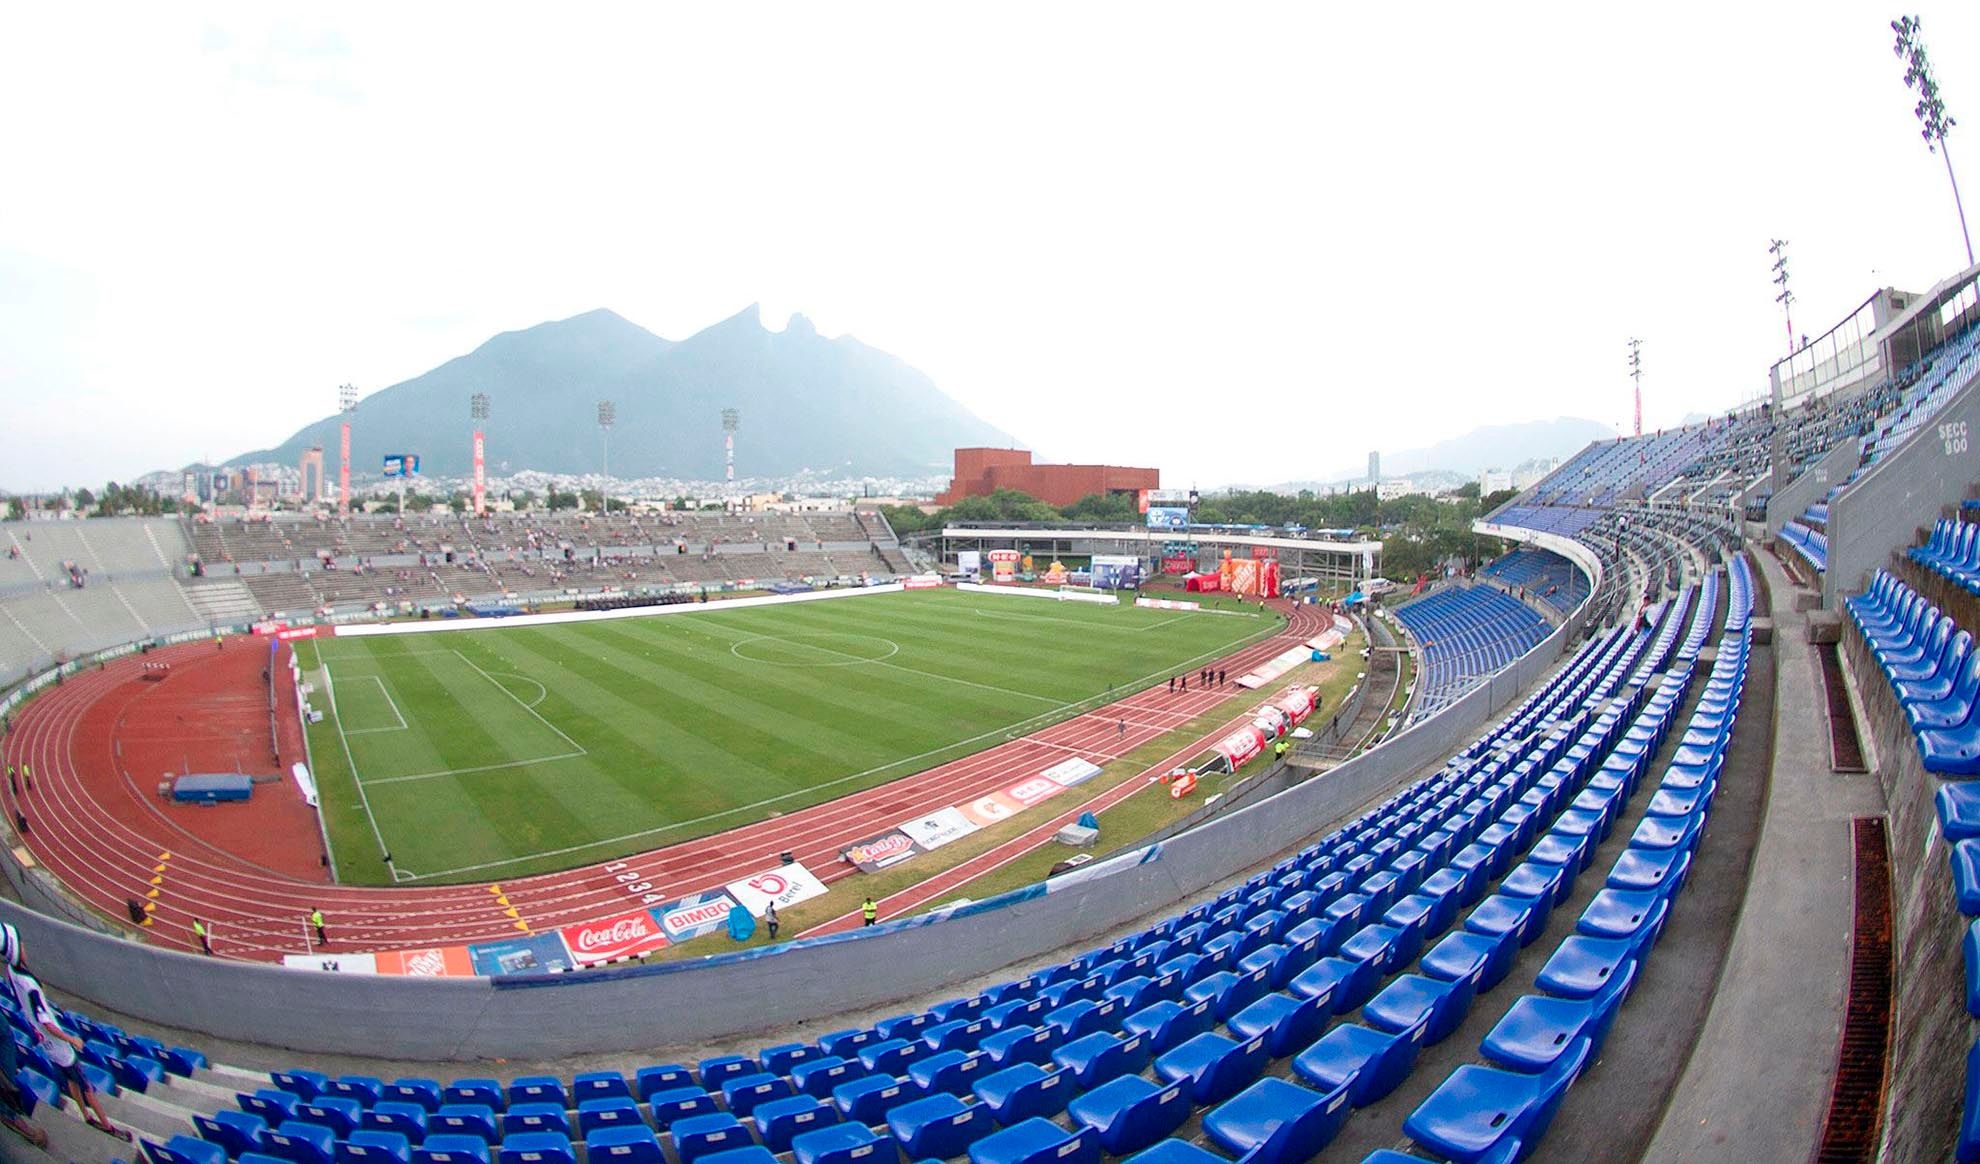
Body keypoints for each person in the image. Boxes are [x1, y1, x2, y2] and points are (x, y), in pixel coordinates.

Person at [3, 931, 125, 1141]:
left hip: (46, 1046)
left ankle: (85, 1115)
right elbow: (46, 1022)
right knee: (87, 1087)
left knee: (71, 1081)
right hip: (60, 1047)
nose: (25, 949)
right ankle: (108, 1127)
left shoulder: (12, 974)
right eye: (21, 946)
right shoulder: (31, 986)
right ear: (15, 951)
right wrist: (71, 1039)